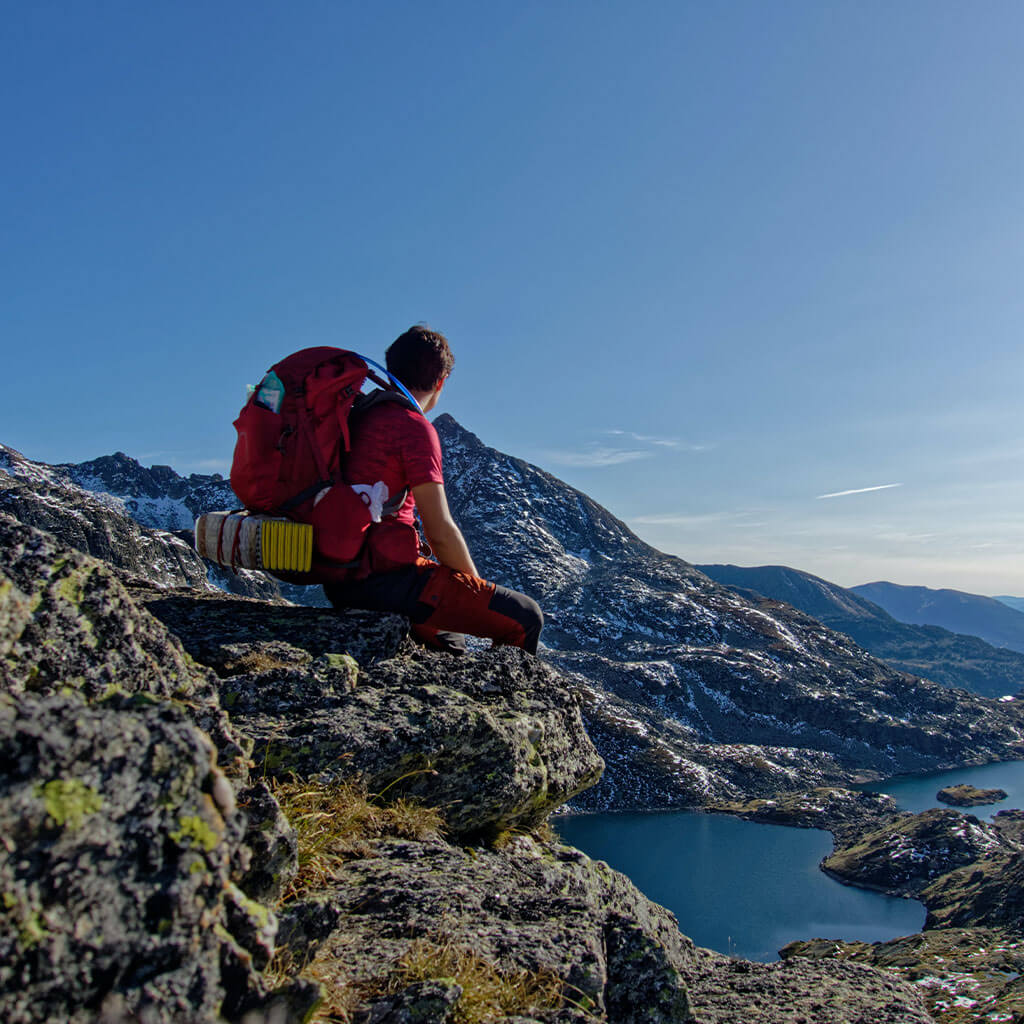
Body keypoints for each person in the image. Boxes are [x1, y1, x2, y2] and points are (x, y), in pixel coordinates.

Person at [322, 325, 543, 655]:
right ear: (440, 382)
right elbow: (439, 531)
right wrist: (475, 591)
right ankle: (516, 702)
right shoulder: (412, 427)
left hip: (340, 579)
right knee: (526, 617)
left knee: (451, 645)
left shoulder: (357, 415)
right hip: (386, 580)